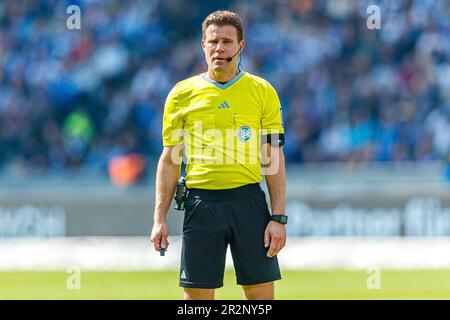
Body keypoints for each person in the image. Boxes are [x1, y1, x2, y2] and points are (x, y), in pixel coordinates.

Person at [150, 10, 287, 300]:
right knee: (197, 301)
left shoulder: (262, 91)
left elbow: (273, 158)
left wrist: (278, 216)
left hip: (249, 203)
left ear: (241, 46)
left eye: (227, 41)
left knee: (261, 299)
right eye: (213, 42)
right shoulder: (181, 94)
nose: (219, 48)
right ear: (203, 45)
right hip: (201, 205)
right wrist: (159, 218)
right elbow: (170, 159)